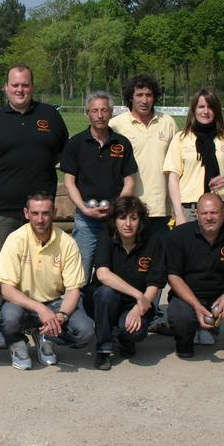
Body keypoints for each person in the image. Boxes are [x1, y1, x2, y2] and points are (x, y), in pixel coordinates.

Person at [0, 63, 69, 347]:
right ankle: (5, 327)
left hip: (41, 212)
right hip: (3, 209)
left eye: (25, 85)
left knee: (44, 270)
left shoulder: (49, 116)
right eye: (14, 85)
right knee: (3, 270)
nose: (19, 89)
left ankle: (44, 322)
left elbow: (60, 154)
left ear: (32, 87)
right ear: (6, 87)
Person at [0, 192, 94, 370]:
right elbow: (7, 290)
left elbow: (73, 290)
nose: (40, 219)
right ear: (26, 213)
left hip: (54, 303)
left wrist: (61, 316)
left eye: (45, 213)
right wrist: (41, 310)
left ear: (54, 212)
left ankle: (46, 337)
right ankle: (17, 341)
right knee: (9, 318)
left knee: (85, 331)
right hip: (22, 303)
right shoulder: (15, 240)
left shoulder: (67, 242)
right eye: (35, 213)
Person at [109, 73, 177, 334]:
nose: (145, 100)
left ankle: (153, 311)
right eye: (139, 95)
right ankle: (122, 310)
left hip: (160, 208)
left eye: (149, 95)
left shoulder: (168, 123)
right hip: (128, 210)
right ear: (130, 97)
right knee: (127, 263)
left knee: (155, 264)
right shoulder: (117, 124)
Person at [165, 193, 224, 366]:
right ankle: (184, 341)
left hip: (221, 295)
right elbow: (173, 276)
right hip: (188, 295)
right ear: (197, 214)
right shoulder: (179, 236)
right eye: (204, 213)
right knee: (180, 315)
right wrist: (196, 306)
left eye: (214, 213)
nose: (209, 218)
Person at [60, 91, 137, 296]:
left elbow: (129, 180)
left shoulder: (122, 143)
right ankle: (78, 316)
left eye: (104, 110)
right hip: (86, 220)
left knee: (113, 271)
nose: (100, 115)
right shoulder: (76, 143)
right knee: (80, 272)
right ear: (87, 114)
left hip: (115, 219)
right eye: (95, 110)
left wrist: (116, 208)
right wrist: (84, 208)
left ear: (111, 113)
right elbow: (69, 181)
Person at [90, 196, 164, 370]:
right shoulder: (106, 237)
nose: (128, 224)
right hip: (108, 300)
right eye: (122, 218)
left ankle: (125, 340)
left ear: (141, 220)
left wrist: (139, 307)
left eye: (133, 218)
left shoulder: (153, 242)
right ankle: (103, 349)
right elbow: (103, 274)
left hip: (135, 304)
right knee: (105, 293)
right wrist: (138, 295)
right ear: (114, 220)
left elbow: (155, 282)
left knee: (134, 332)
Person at [164, 89, 224, 226]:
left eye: (210, 107)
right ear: (194, 110)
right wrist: (179, 214)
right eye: (201, 107)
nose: (206, 111)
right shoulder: (181, 138)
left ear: (216, 111)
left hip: (221, 208)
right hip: (190, 211)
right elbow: (173, 178)